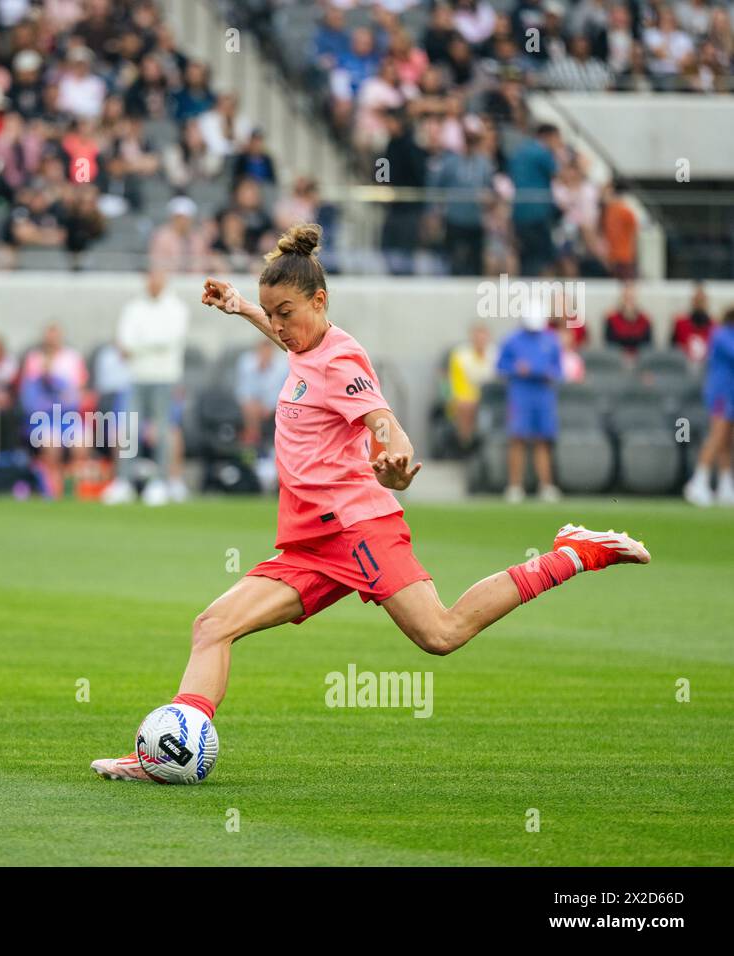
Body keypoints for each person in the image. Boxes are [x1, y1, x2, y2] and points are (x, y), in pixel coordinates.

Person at [91, 224, 650, 782]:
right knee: (212, 625)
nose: (280, 326)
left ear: (320, 300)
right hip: (310, 543)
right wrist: (242, 308)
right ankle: (164, 757)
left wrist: (397, 465)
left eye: (286, 312)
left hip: (359, 528)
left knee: (442, 633)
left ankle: (576, 553)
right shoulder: (303, 347)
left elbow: (384, 422)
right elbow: (292, 348)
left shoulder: (341, 359)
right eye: (272, 313)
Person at [105, 270, 189, 505]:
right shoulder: (133, 308)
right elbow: (124, 341)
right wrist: (145, 346)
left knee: (163, 431)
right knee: (129, 429)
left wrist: (139, 346)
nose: (153, 282)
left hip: (165, 376)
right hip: (136, 377)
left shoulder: (176, 308)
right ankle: (124, 481)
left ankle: (161, 482)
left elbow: (170, 339)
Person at [497, 303, 563, 503]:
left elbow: (558, 369)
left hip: (543, 394)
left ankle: (546, 485)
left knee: (543, 440)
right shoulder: (512, 340)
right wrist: (516, 368)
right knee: (517, 438)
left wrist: (545, 372)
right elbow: (501, 366)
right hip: (520, 394)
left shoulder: (551, 340)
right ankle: (515, 486)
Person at [683, 307, 734, 507]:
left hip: (731, 393)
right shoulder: (720, 335)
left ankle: (725, 485)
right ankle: (697, 482)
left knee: (727, 441)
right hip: (721, 393)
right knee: (717, 436)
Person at [446, 323, 496, 451]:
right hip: (467, 397)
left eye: (483, 336)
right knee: (465, 406)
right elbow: (457, 385)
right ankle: (466, 445)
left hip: (492, 398)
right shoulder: (461, 356)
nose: (480, 340)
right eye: (477, 336)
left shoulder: (495, 354)